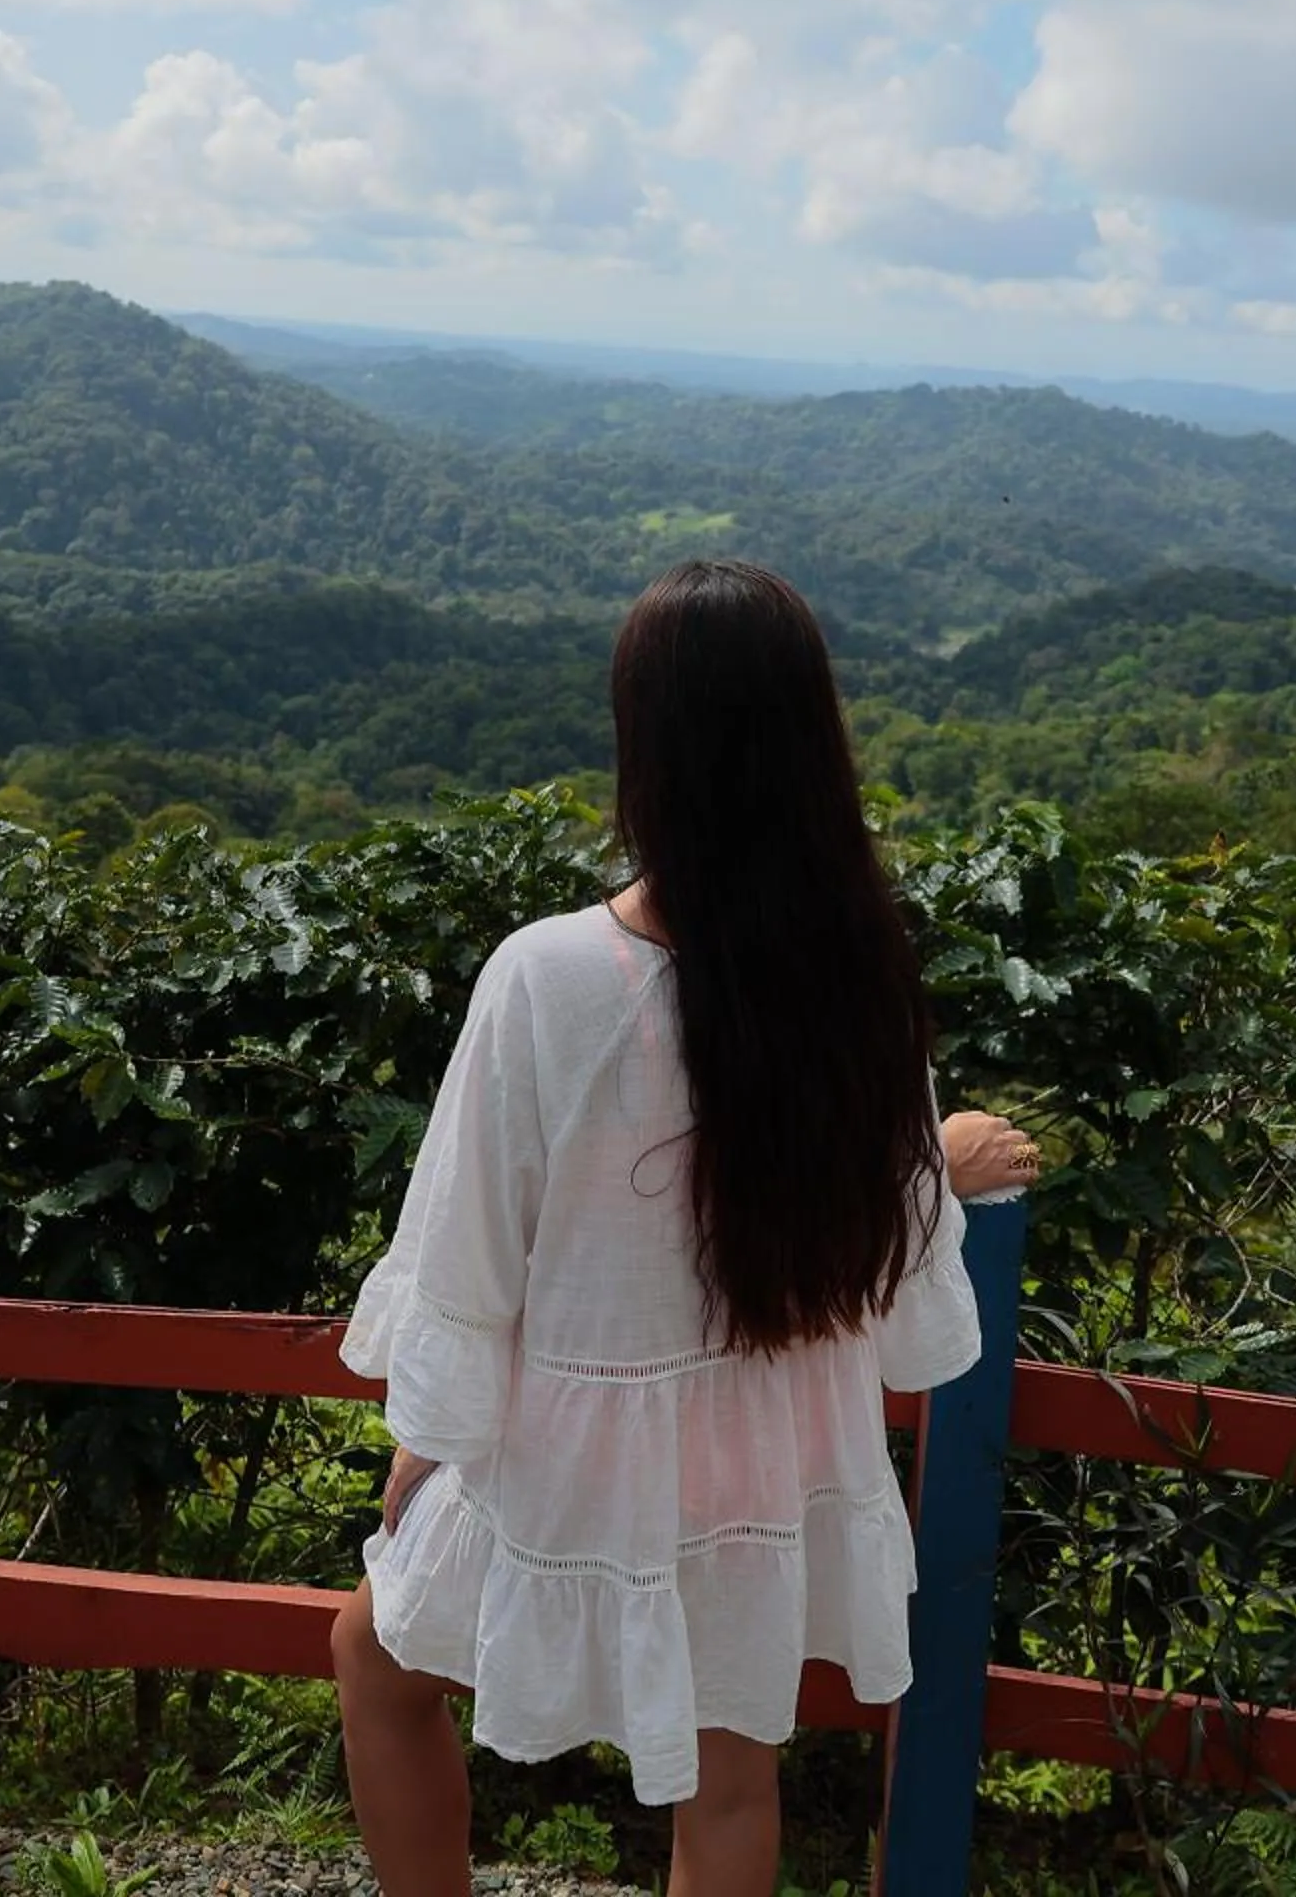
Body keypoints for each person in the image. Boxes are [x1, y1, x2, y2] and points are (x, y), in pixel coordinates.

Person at [329, 558, 1040, 1895]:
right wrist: (942, 1162)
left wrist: (427, 1447)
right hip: (759, 1463)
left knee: (374, 1663)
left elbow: (471, 1252)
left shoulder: (550, 975)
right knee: (730, 1782)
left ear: (643, 742)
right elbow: (888, 1267)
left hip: (565, 1451)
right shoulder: (858, 972)